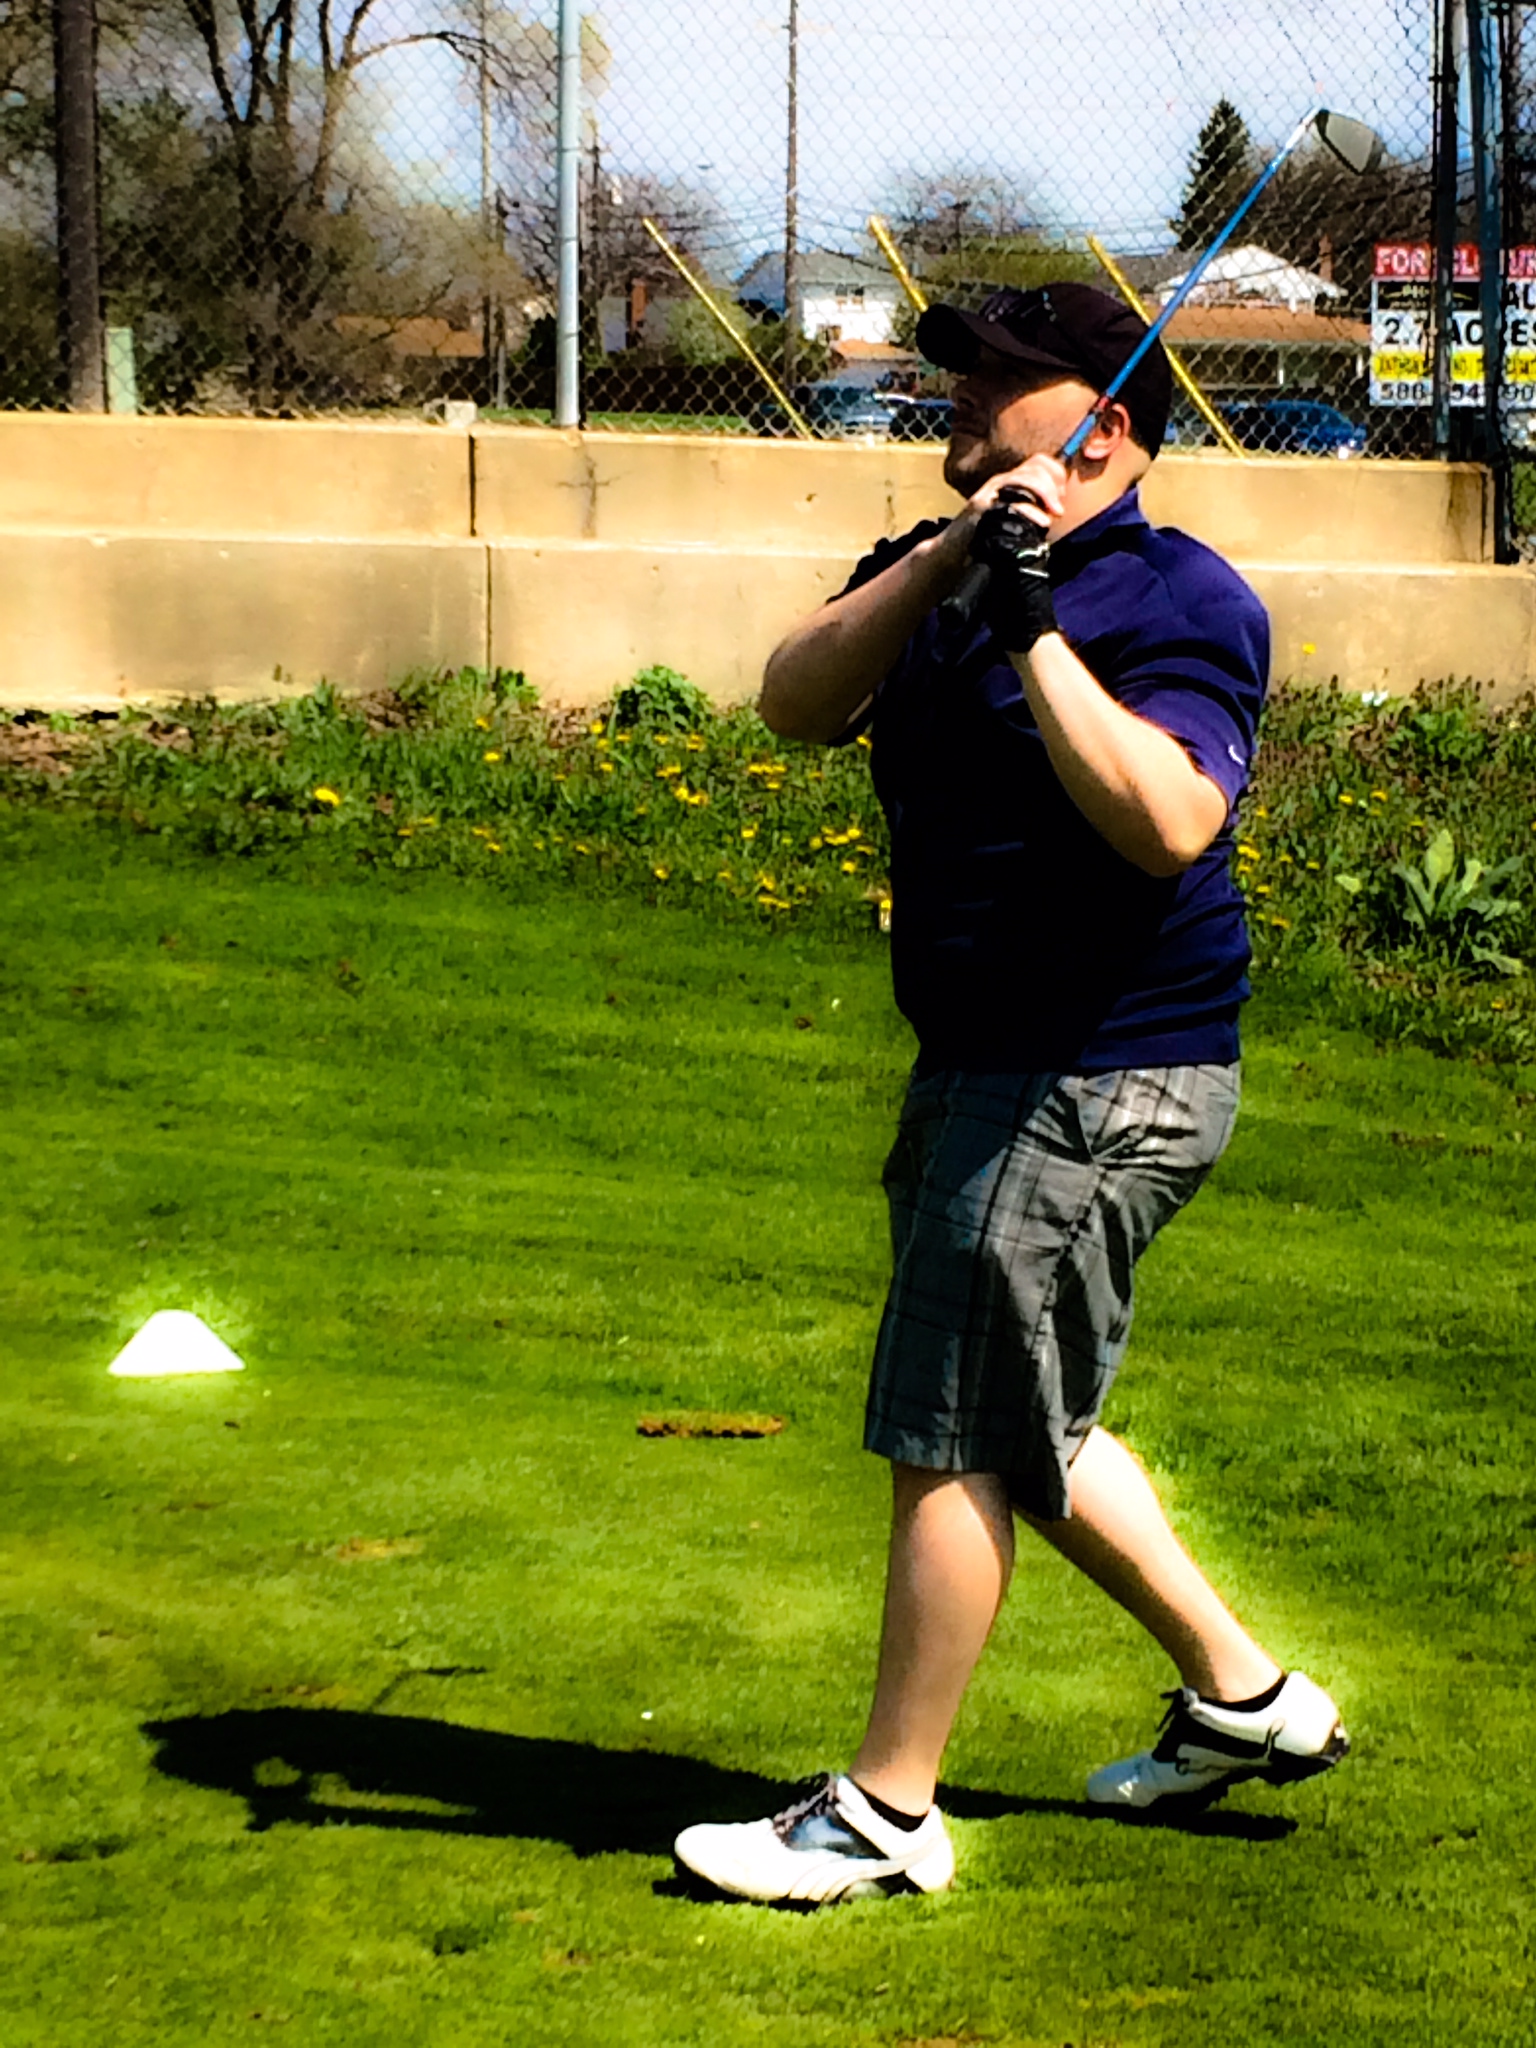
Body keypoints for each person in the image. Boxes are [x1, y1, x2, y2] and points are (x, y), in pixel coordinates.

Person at [673, 284, 1349, 1907]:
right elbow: (792, 702)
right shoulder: (936, 563)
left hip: (1100, 1073)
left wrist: (1039, 621)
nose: (960, 392)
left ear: (1103, 426)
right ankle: (1244, 1698)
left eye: (999, 375)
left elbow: (1169, 821)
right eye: (959, 368)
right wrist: (948, 566)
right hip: (985, 1060)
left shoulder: (1181, 598)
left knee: (954, 1430)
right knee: (1021, 1410)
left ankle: (884, 1813)